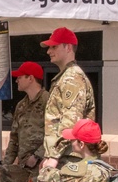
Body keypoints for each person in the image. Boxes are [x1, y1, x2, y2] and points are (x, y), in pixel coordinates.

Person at [39, 27, 96, 172]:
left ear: (68, 47)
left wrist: (53, 157)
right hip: (64, 156)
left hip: (71, 158)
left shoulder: (73, 78)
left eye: (54, 46)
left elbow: (70, 121)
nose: (48, 51)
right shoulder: (65, 77)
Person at [0, 61, 49, 182]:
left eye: (20, 77)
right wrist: (5, 166)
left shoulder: (48, 101)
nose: (17, 81)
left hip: (43, 167)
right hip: (23, 168)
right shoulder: (21, 105)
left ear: (30, 78)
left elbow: (56, 133)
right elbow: (14, 138)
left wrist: (38, 155)